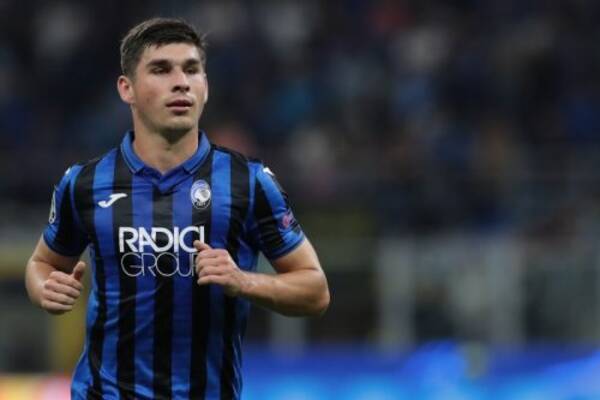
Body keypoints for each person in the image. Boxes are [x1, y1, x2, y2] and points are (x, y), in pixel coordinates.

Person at [25, 17, 330, 400]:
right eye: (161, 69)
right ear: (127, 88)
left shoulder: (248, 182)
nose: (181, 82)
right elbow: (42, 264)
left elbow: (315, 290)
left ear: (206, 87)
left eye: (191, 69)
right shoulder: (84, 183)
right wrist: (45, 289)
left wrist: (243, 281)